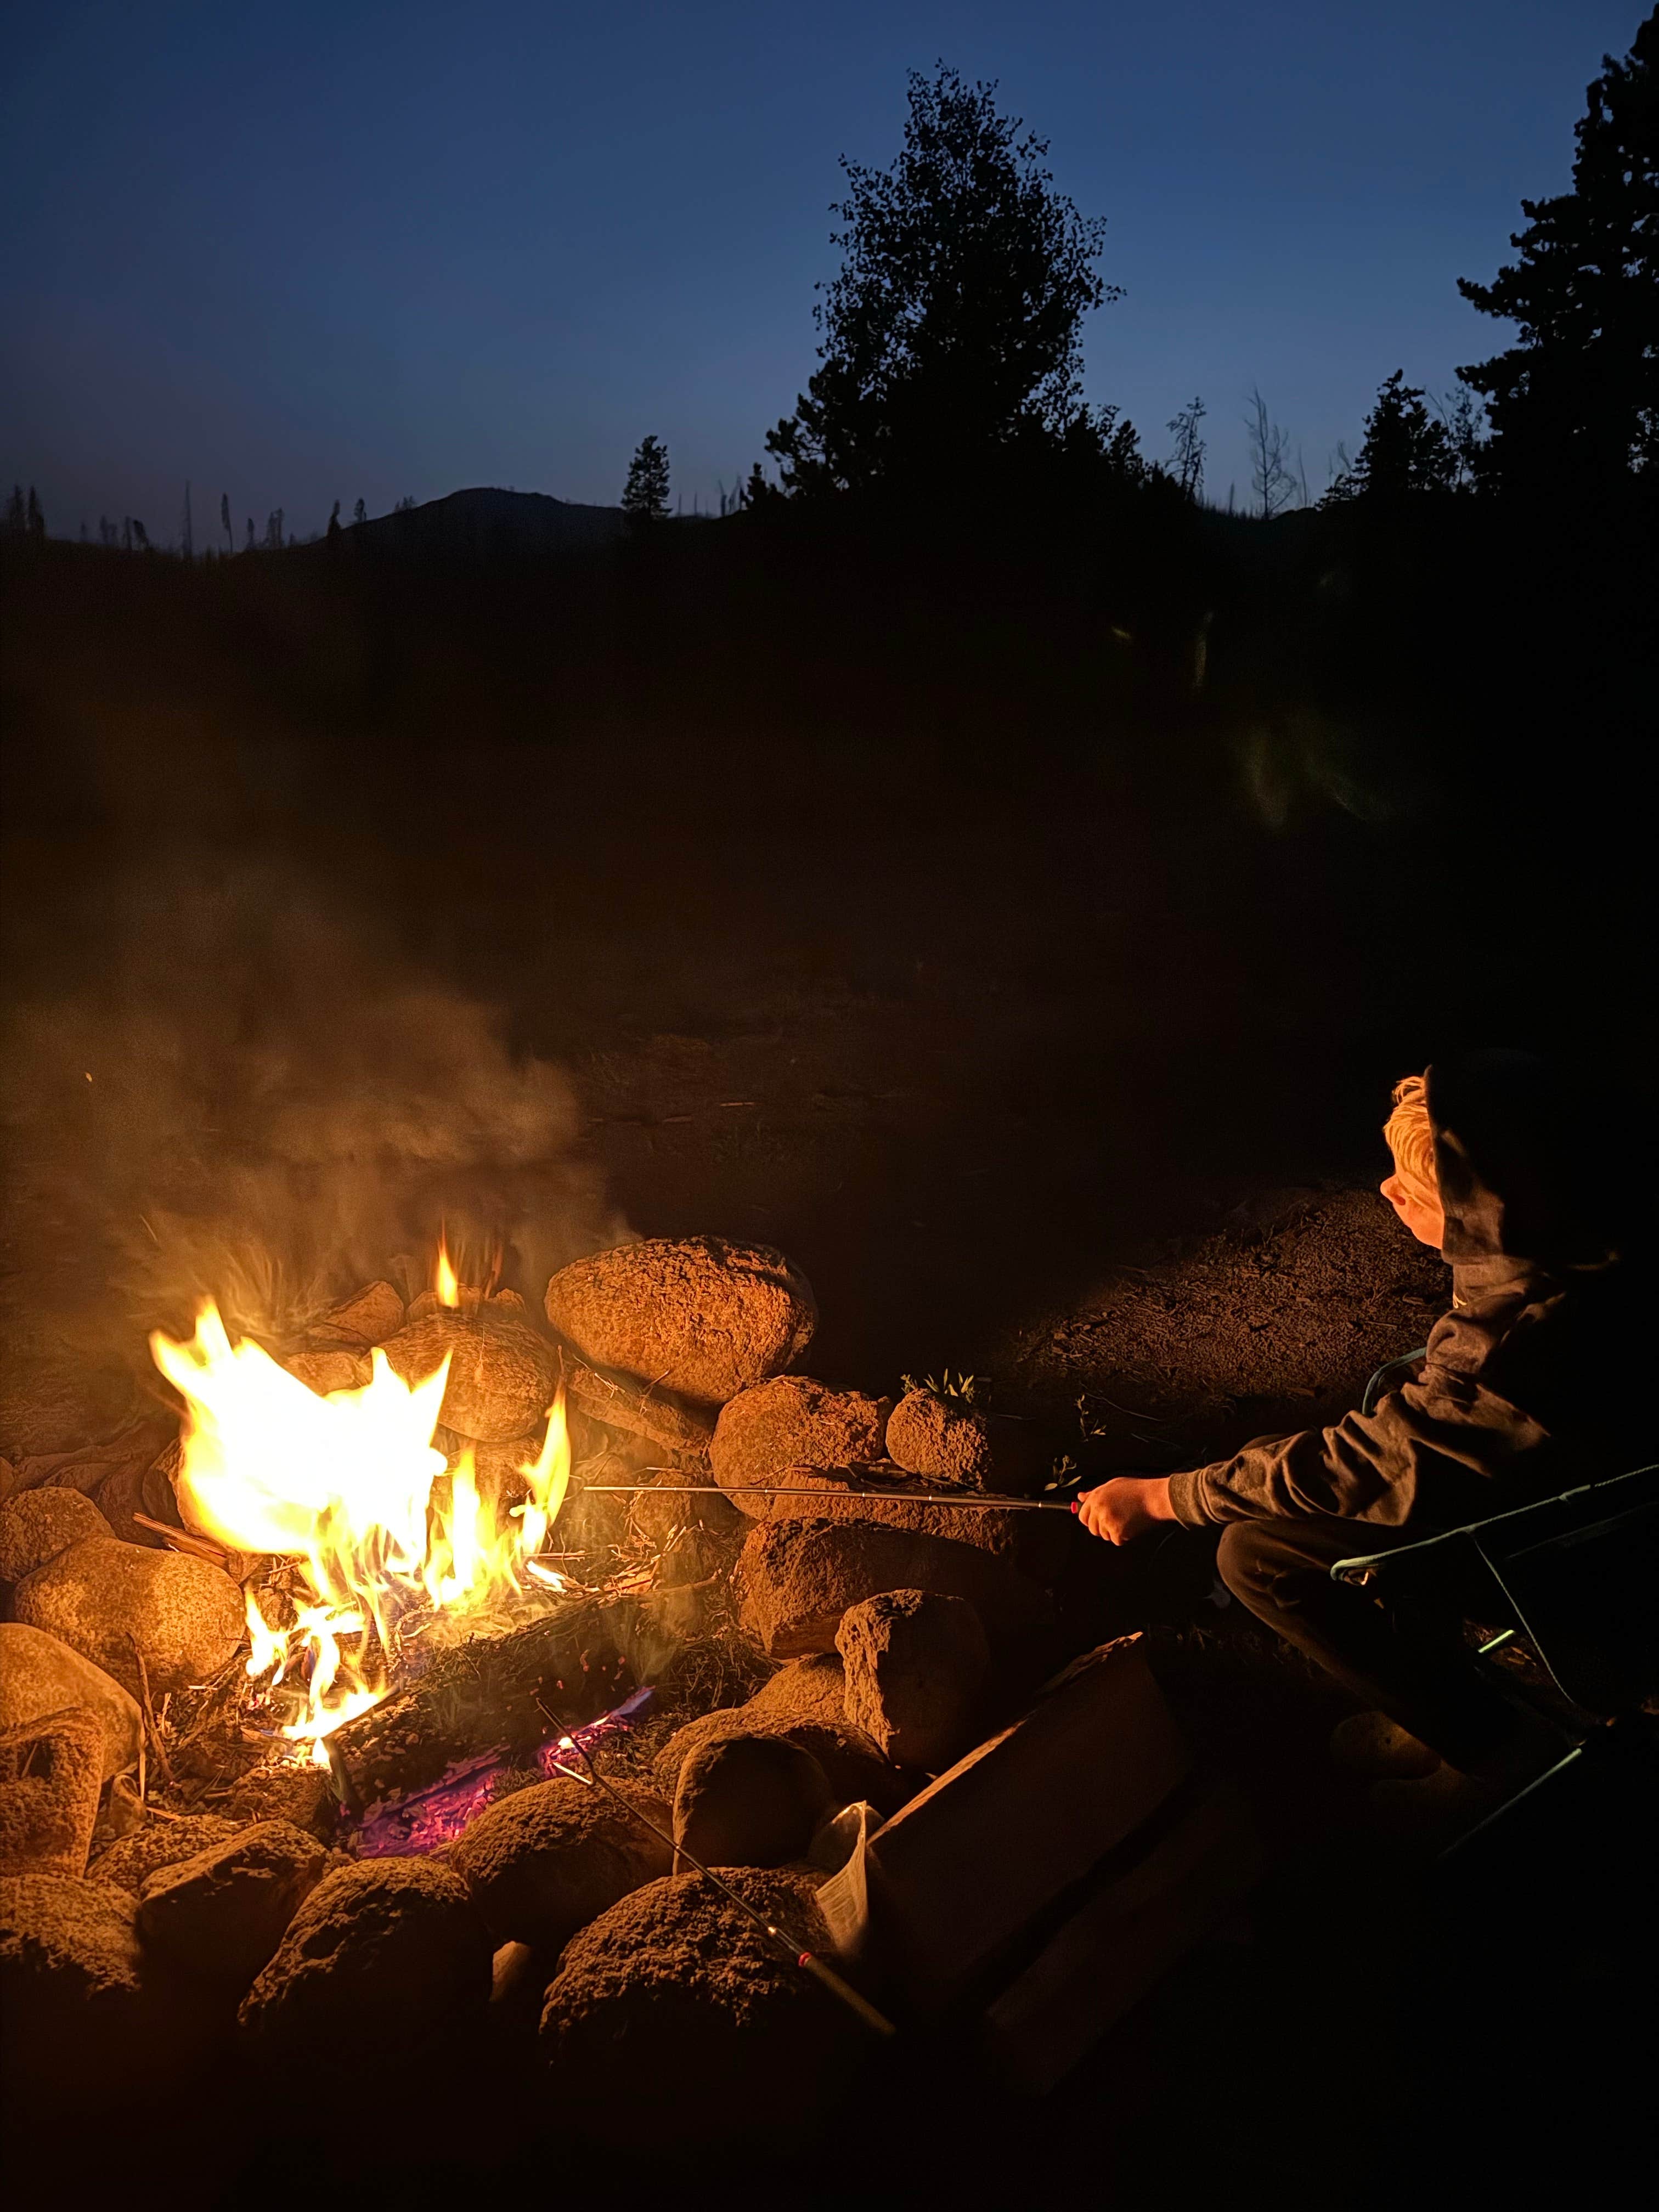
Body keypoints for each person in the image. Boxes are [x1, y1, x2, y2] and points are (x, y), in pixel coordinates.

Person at [1076, 1052, 1650, 1804]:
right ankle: (1434, 1688)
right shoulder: (1593, 1234)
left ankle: (1498, 1748)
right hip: (1603, 1484)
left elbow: (1364, 1468)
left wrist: (1164, 1498)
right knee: (1302, 1457)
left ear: (1484, 1218)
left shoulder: (1503, 1349)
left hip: (1588, 1560)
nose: (1385, 1191)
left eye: (1410, 1190)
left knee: (1256, 1552)